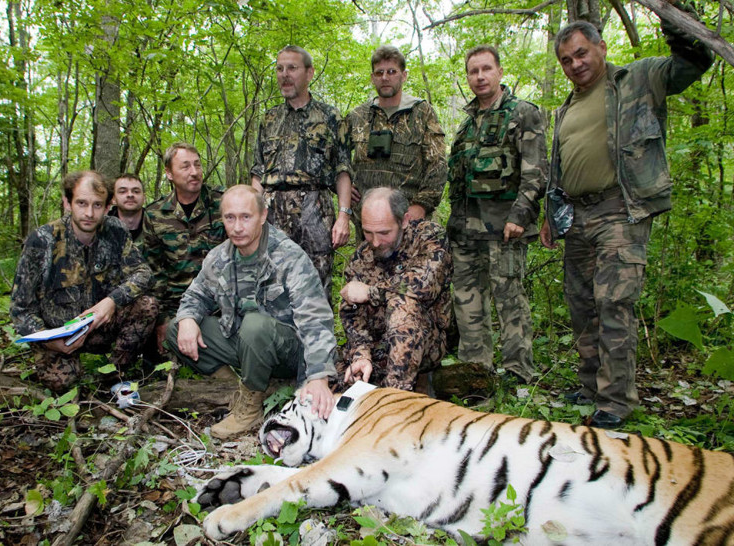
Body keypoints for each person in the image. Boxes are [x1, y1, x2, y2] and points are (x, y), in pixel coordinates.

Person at [540, 11, 713, 428]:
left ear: (601, 47)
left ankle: (616, 401)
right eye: (566, 59)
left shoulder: (637, 79)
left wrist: (677, 14)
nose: (575, 64)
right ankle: (590, 387)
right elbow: (560, 169)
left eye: (582, 53)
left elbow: (694, 61)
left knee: (614, 302)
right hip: (577, 215)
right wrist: (550, 216)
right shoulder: (566, 109)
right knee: (582, 305)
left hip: (622, 207)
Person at [166, 185, 338, 439]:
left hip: (288, 351)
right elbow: (195, 295)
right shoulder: (219, 257)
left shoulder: (288, 256)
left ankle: (250, 410)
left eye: (246, 217)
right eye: (230, 218)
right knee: (176, 328)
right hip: (246, 342)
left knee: (255, 325)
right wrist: (188, 319)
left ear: (263, 215)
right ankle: (235, 387)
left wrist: (319, 377)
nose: (237, 227)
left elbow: (315, 318)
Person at [447, 45, 548, 385]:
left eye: (486, 69)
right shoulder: (465, 127)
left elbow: (536, 173)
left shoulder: (522, 113)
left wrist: (520, 215)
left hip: (505, 230)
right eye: (473, 71)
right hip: (466, 233)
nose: (480, 77)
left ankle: (520, 374)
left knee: (510, 304)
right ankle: (477, 373)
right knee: (467, 304)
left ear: (500, 72)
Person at [10, 171, 158, 392]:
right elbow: (20, 309)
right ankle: (67, 366)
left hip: (100, 326)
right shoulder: (42, 240)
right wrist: (49, 340)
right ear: (67, 203)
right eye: (81, 203)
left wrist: (111, 301)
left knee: (148, 306)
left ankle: (114, 375)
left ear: (108, 207)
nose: (89, 213)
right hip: (58, 333)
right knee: (62, 384)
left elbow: (143, 272)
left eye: (97, 205)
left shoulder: (116, 230)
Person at [251, 45, 353, 300]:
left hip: (315, 209)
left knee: (316, 289)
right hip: (273, 212)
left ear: (309, 73)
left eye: (292, 68)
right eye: (280, 68)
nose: (285, 74)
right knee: (273, 289)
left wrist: (344, 216)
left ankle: (318, 340)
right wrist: (253, 215)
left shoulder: (330, 116)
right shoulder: (269, 119)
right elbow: (257, 174)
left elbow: (342, 170)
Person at [339, 187, 452, 392]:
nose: (375, 242)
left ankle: (395, 396)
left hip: (424, 342)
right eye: (367, 232)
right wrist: (361, 354)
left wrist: (371, 292)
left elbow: (422, 285)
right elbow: (352, 314)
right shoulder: (361, 257)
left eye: (384, 233)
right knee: (329, 377)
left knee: (402, 304)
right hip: (378, 345)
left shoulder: (429, 238)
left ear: (405, 220)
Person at [346, 45, 446, 237]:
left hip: (409, 221)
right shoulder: (358, 116)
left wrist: (421, 206)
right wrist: (343, 185)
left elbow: (438, 164)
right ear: (372, 77)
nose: (385, 77)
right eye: (379, 72)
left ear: (404, 75)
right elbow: (336, 156)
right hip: (368, 223)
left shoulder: (422, 113)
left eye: (392, 72)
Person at [142, 142, 226, 355]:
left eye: (197, 165)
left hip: (221, 302)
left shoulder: (223, 204)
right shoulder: (155, 214)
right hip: (176, 307)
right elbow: (155, 273)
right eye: (185, 166)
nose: (194, 172)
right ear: (169, 173)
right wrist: (162, 321)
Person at [108, 173, 146, 249]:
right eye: (122, 191)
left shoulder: (157, 225)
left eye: (136, 191)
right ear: (113, 199)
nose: (130, 195)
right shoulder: (102, 228)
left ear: (144, 198)